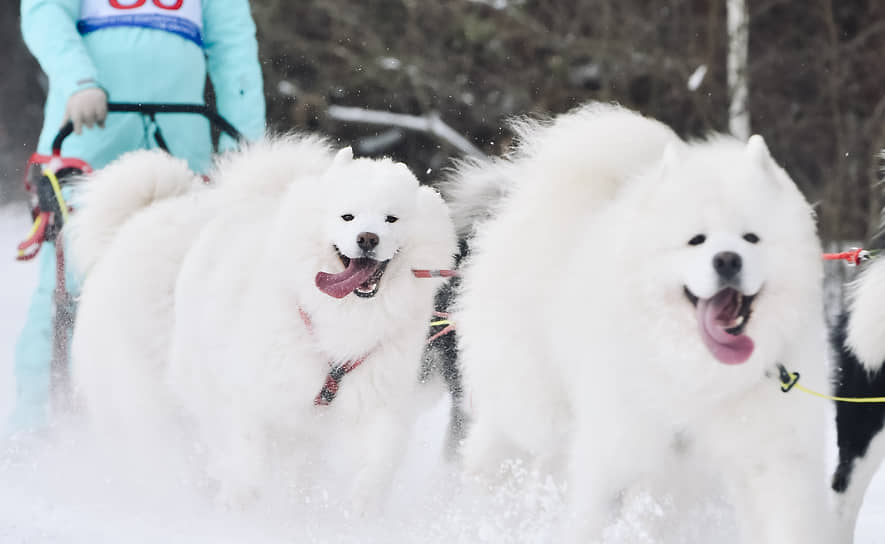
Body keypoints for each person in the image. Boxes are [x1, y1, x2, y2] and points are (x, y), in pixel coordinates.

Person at [8, 0, 267, 435]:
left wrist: (246, 152)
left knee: (183, 280)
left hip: (182, 138)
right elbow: (45, 12)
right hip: (84, 128)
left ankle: (175, 422)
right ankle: (41, 423)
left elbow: (234, 48)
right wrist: (78, 80)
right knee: (69, 273)